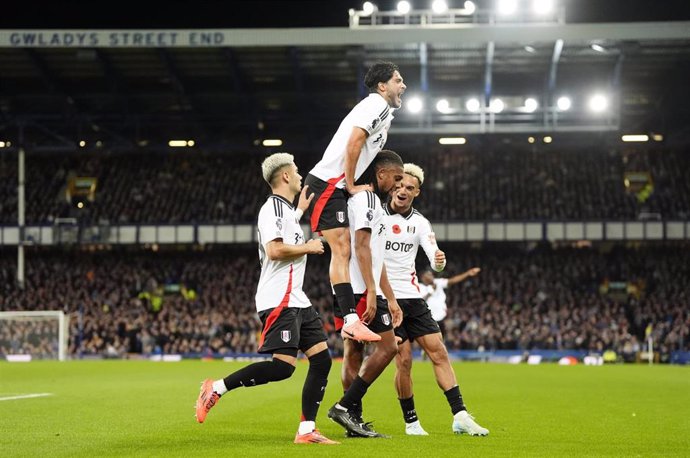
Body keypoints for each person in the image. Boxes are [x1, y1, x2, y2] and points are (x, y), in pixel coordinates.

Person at [195, 153, 339, 445]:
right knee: (283, 367)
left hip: (297, 298)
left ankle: (306, 430)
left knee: (322, 360)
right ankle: (216, 388)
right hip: (280, 297)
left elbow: (285, 233)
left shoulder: (285, 210)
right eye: (296, 171)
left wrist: (298, 213)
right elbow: (274, 250)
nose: (300, 175)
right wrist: (310, 247)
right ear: (285, 176)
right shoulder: (271, 208)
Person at [383, 163, 489, 437]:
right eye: (400, 185)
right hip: (387, 298)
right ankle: (411, 422)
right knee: (403, 361)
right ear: (393, 185)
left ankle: (460, 416)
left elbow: (435, 258)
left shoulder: (420, 222)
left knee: (439, 352)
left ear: (417, 192)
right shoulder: (376, 216)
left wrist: (440, 262)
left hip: (413, 298)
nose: (403, 190)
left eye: (409, 187)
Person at [304, 60, 406, 343]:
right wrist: (350, 184)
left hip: (333, 184)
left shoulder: (381, 111)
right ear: (383, 86)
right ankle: (350, 319)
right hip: (329, 182)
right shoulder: (377, 106)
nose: (403, 85)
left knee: (344, 248)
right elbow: (354, 142)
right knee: (342, 249)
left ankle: (350, 319)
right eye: (398, 80)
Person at [326, 150, 404, 438]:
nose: (398, 185)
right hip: (359, 289)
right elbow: (361, 247)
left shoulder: (368, 202)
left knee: (354, 352)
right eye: (396, 178)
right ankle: (345, 407)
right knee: (388, 348)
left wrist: (390, 297)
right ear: (380, 173)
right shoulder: (368, 199)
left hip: (357, 287)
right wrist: (372, 292)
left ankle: (352, 420)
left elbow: (376, 255)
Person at [420, 266, 481, 337]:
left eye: (431, 274)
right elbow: (421, 301)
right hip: (428, 320)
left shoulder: (438, 282)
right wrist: (430, 291)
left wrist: (467, 273)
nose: (432, 276)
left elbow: (452, 280)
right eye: (429, 275)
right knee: (430, 342)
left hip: (442, 318)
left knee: (442, 340)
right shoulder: (419, 287)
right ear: (423, 277)